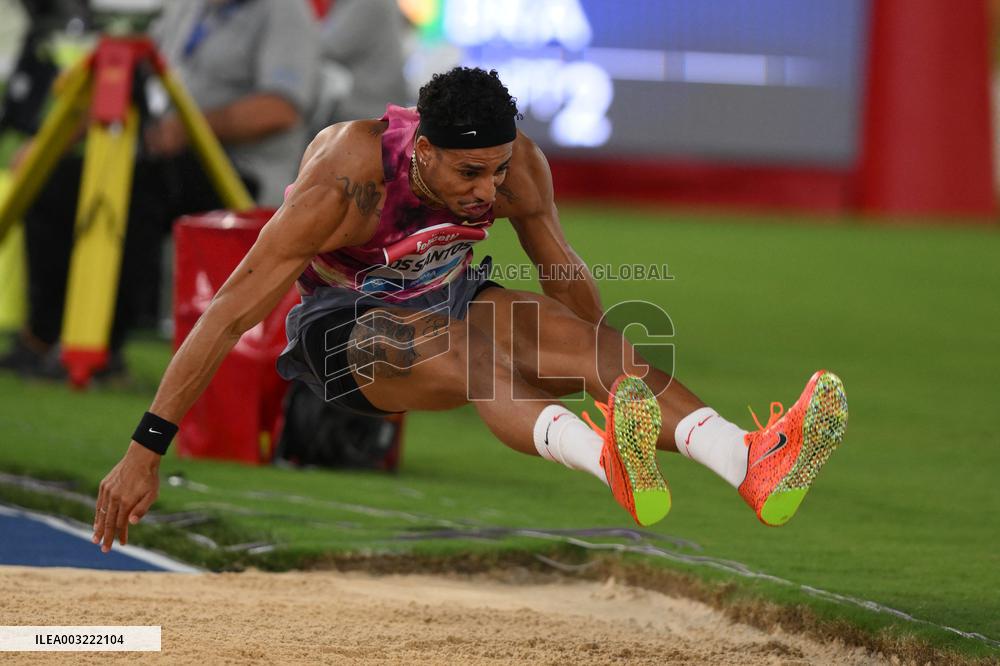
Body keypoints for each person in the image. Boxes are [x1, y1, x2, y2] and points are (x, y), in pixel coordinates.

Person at [90, 67, 849, 552]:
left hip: (452, 295)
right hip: (347, 328)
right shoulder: (346, 181)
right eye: (467, 173)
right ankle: (603, 457)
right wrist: (143, 450)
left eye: (498, 169)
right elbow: (223, 314)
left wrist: (605, 373)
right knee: (480, 360)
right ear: (421, 150)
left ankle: (748, 461)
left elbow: (565, 277)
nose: (488, 190)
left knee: (596, 349)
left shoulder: (516, 168)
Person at [0, 0, 319, 378]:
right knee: (56, 181)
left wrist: (188, 129)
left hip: (238, 171)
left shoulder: (285, 14)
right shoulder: (188, 8)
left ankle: (102, 349)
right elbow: (128, 82)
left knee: (136, 193)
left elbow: (279, 109)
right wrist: (49, 145)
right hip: (159, 156)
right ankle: (40, 339)